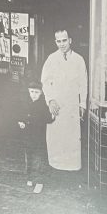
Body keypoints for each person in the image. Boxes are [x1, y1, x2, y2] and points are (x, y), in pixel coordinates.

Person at [40, 27, 88, 179]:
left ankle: (72, 168)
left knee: (72, 136)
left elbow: (83, 84)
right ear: (55, 42)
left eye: (64, 40)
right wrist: (50, 100)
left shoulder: (79, 60)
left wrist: (82, 104)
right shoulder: (51, 59)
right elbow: (45, 82)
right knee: (56, 136)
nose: (61, 44)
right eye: (58, 41)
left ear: (70, 40)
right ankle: (56, 166)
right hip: (57, 103)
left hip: (72, 104)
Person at [16, 80, 53, 194]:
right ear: (28, 91)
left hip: (39, 137)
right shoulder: (26, 103)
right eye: (32, 92)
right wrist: (20, 122)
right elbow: (20, 115)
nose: (34, 94)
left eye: (36, 92)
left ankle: (39, 182)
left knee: (39, 159)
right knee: (29, 157)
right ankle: (30, 177)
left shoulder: (43, 105)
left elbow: (49, 119)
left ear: (41, 93)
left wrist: (53, 115)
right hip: (28, 136)